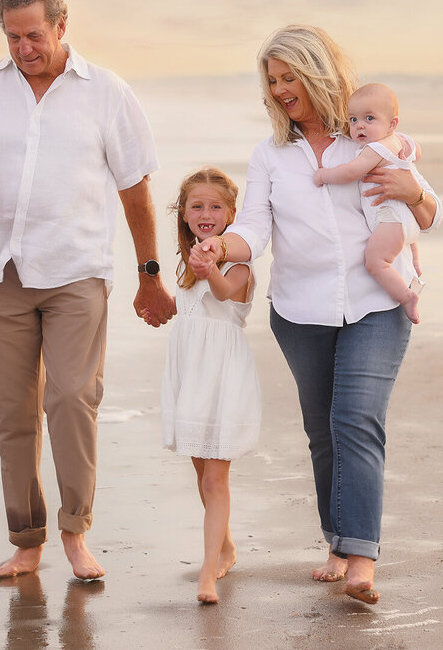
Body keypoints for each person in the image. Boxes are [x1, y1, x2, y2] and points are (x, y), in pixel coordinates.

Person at [193, 25, 440, 604]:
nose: (280, 89)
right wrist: (220, 246)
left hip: (378, 303)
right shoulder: (271, 154)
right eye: (272, 80)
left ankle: (361, 556)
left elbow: (426, 216)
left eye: (290, 77)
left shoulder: (370, 137)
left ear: (318, 73)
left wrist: (414, 193)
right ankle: (337, 538)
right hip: (300, 311)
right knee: (322, 431)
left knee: (357, 420)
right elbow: (253, 230)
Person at [0, 0, 176, 581]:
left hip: (76, 271)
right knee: (13, 414)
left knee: (72, 397)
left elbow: (136, 190)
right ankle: (26, 540)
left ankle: (76, 532)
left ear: (62, 27)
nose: (23, 48)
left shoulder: (107, 93)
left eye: (34, 35)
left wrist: (150, 274)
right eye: (13, 37)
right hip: (1, 273)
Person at [160, 167, 261, 604]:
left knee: (216, 480)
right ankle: (227, 546)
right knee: (202, 475)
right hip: (190, 374)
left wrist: (209, 264)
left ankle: (207, 572)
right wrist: (195, 264)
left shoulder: (239, 265)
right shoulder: (187, 264)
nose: (206, 213)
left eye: (216, 207)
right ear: (183, 213)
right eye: (197, 206)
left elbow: (222, 294)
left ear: (231, 214)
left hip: (222, 377)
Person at [313, 83, 424, 323]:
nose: (359, 125)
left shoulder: (375, 148)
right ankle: (414, 265)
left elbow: (351, 172)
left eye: (369, 118)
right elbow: (417, 151)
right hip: (406, 218)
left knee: (375, 262)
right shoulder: (399, 141)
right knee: (406, 247)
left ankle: (406, 297)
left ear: (392, 123)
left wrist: (324, 175)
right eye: (353, 120)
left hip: (389, 218)